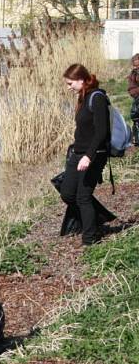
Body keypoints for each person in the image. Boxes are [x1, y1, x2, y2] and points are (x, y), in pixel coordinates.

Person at [60, 64, 109, 246]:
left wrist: (88, 156)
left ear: (81, 80)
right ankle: (97, 218)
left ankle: (90, 238)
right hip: (77, 153)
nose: (68, 87)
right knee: (67, 193)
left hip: (94, 155)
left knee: (83, 197)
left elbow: (101, 132)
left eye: (70, 83)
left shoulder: (97, 98)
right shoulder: (83, 97)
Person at [127, 54, 139, 145]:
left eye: (138, 66)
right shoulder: (133, 74)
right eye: (135, 66)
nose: (136, 68)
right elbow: (131, 90)